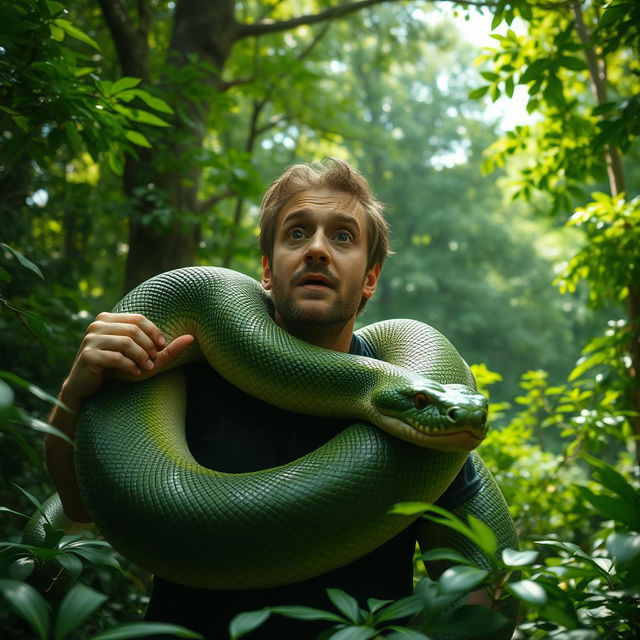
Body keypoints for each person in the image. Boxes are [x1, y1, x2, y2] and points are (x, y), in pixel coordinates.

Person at [46, 158, 487, 639]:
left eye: (343, 237)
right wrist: (79, 386)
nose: (317, 249)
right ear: (267, 271)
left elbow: (481, 593)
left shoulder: (418, 402)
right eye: (297, 234)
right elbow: (78, 502)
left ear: (370, 278)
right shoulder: (185, 370)